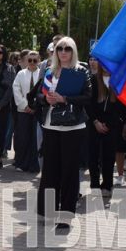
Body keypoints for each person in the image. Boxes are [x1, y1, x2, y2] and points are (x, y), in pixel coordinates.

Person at [36, 36, 92, 227]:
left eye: (67, 49)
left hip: (73, 127)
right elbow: (37, 96)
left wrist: (64, 98)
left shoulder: (81, 71)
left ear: (73, 51)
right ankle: (47, 213)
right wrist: (46, 100)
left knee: (69, 171)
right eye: (60, 49)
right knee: (50, 170)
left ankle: (66, 215)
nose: (63, 52)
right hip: (51, 126)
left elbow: (87, 97)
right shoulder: (49, 72)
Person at [88, 60, 123, 196]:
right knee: (93, 156)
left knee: (108, 157)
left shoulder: (118, 82)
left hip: (112, 126)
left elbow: (119, 107)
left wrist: (109, 124)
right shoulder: (93, 79)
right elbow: (89, 104)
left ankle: (107, 185)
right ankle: (94, 185)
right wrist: (96, 122)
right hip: (94, 124)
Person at [11, 49, 41, 173]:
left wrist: (35, 107)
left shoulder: (42, 74)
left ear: (39, 60)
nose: (32, 62)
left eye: (35, 60)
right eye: (30, 60)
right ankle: (22, 163)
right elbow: (16, 89)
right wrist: (25, 105)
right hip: (23, 111)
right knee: (23, 137)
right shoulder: (21, 74)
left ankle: (34, 164)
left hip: (37, 112)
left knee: (35, 138)